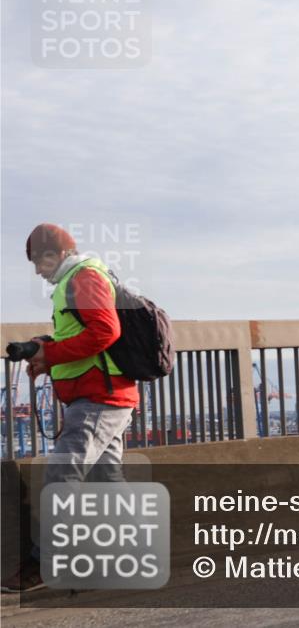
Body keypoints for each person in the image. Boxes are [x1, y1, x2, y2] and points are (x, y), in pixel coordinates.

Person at [1, 224, 138, 593]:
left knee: (61, 476)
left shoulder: (84, 277)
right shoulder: (74, 281)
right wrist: (45, 354)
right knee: (106, 478)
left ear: (59, 253)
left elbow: (104, 332)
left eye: (40, 260)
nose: (37, 270)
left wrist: (50, 353)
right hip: (104, 395)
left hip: (99, 397)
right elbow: (80, 337)